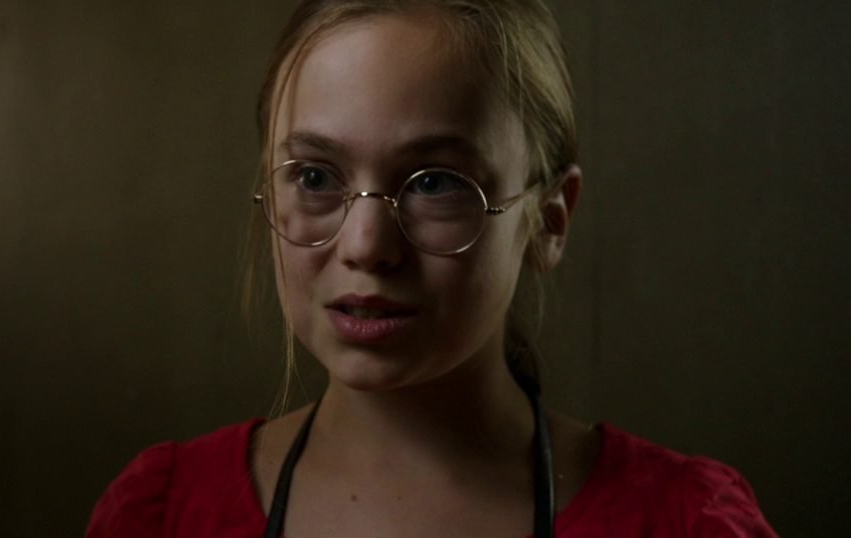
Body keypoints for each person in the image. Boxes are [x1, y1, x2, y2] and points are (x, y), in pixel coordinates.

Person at [86, 1, 776, 536]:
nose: (366, 245)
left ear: (549, 220)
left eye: (435, 183)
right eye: (315, 176)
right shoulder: (163, 517)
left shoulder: (684, 523)